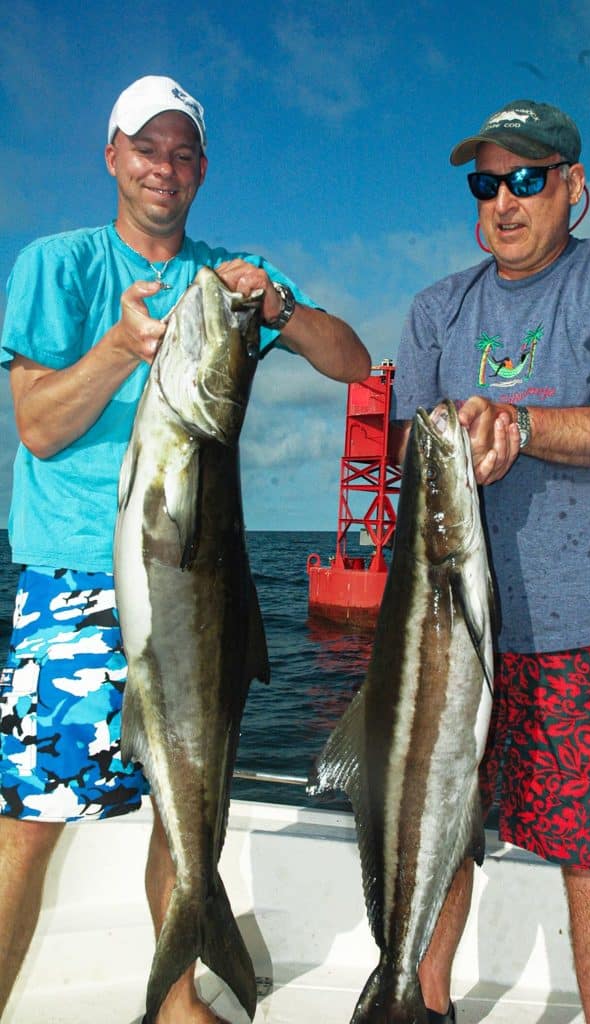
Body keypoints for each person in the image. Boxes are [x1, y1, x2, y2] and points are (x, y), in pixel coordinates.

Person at [0, 75, 370, 1024]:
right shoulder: (59, 263)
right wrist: (122, 348)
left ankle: (175, 1005)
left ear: (201, 168)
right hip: (81, 579)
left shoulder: (229, 273)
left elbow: (352, 362)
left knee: (184, 808)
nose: (164, 167)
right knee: (30, 823)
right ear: (112, 155)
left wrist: (279, 308)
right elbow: (37, 427)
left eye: (182, 151)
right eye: (146, 147)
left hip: (205, 579)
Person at [390, 99, 590, 1024]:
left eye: (526, 178)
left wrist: (515, 424)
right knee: (434, 840)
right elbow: (408, 457)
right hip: (443, 638)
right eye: (487, 183)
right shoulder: (437, 308)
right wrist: (442, 442)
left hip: (581, 623)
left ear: (573, 188)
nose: (504, 201)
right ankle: (419, 1008)